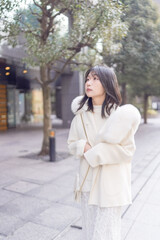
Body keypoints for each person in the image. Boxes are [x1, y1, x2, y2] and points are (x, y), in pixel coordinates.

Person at [67, 65, 141, 240]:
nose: (88, 83)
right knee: (89, 231)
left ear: (107, 83)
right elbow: (71, 144)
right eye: (87, 79)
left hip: (110, 185)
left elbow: (127, 151)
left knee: (106, 234)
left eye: (95, 79)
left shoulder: (119, 115)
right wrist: (83, 146)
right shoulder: (81, 116)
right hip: (87, 183)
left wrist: (95, 153)